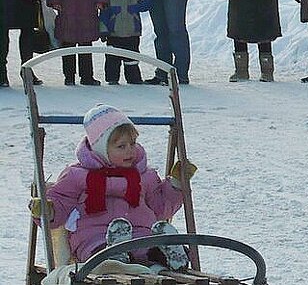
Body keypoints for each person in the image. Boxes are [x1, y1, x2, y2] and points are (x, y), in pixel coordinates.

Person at [40, 104, 193, 269]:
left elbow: (160, 207)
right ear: (101, 149)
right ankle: (114, 253)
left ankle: (169, 254)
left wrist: (176, 185)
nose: (130, 151)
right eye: (121, 146)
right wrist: (48, 210)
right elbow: (61, 203)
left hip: (141, 234)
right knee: (99, 252)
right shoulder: (77, 176)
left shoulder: (143, 176)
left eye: (132, 143)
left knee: (148, 250)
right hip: (94, 237)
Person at [99, 0, 151, 84]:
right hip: (114, 36)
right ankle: (112, 79)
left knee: (131, 59)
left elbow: (145, 6)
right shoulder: (109, 1)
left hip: (131, 35)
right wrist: (103, 31)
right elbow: (103, 17)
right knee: (112, 59)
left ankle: (134, 79)